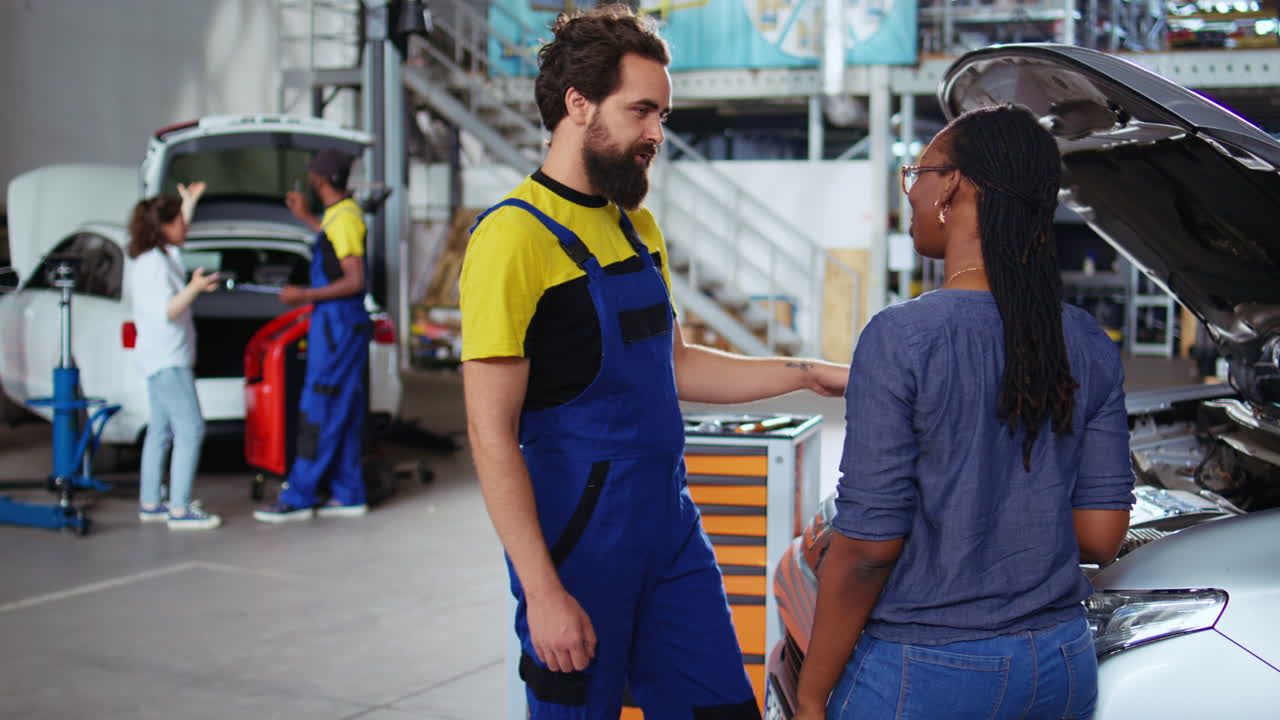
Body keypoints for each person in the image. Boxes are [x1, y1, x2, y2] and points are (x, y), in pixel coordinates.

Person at [459, 6, 849, 719]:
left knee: (722, 708)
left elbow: (677, 366)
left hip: (669, 528)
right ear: (579, 104)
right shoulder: (511, 239)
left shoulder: (636, 227)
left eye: (661, 116)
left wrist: (808, 373)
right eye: (641, 111)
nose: (657, 135)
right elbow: (490, 434)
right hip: (579, 542)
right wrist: (543, 591)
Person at [792, 104, 1135, 720]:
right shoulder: (1086, 341)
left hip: (927, 670)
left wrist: (813, 694)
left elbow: (867, 550)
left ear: (952, 185)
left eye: (917, 172)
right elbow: (1101, 536)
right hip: (1060, 664)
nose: (912, 190)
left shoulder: (901, 338)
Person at [254, 148, 371, 523]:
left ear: (320, 179)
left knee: (319, 406)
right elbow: (332, 240)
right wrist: (306, 218)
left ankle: (299, 496)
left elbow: (354, 280)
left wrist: (303, 295)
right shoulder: (340, 214)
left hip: (338, 326)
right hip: (338, 324)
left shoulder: (345, 219)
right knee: (343, 407)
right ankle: (349, 492)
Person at [127, 182, 222, 530]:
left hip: (160, 358)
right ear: (164, 227)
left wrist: (188, 203)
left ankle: (152, 502)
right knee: (191, 429)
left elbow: (179, 231)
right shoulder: (153, 265)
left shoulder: (160, 256)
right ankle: (180, 509)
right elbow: (167, 310)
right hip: (168, 360)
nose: (186, 227)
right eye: (180, 221)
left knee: (160, 430)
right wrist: (194, 288)